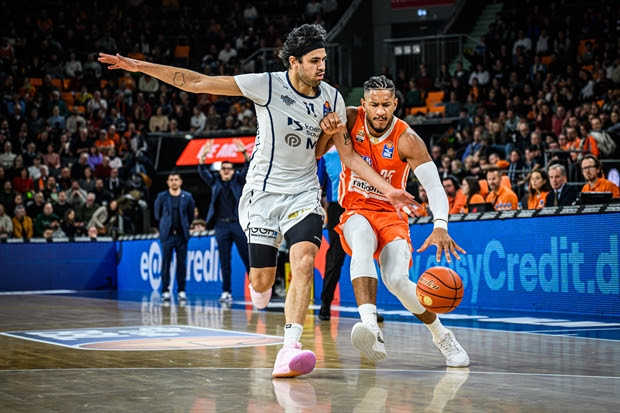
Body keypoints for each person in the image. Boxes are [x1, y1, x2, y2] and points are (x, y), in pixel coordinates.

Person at [100, 24, 416, 378]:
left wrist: (387, 189)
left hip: (304, 193)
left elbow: (347, 157)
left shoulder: (333, 98)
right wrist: (139, 66)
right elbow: (198, 82)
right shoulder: (266, 85)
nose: (322, 67)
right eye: (314, 60)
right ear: (294, 62)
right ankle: (259, 287)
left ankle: (290, 348)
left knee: (304, 260)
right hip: (263, 195)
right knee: (262, 283)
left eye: (324, 59)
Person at [316, 75, 469, 367]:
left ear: (395, 104)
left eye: (386, 104)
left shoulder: (407, 139)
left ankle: (442, 336)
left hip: (390, 214)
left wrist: (440, 225)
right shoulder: (350, 118)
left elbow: (434, 186)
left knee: (397, 280)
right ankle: (370, 327)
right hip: (356, 208)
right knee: (361, 242)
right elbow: (318, 152)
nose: (380, 111)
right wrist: (325, 129)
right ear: (364, 104)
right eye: (374, 104)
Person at [197, 138, 251, 303]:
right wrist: (203, 156)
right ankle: (226, 291)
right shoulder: (215, 181)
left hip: (237, 224)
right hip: (221, 225)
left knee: (247, 257)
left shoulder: (238, 180)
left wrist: (244, 153)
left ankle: (256, 289)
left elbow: (248, 166)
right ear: (220, 171)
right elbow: (202, 171)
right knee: (224, 261)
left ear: (233, 171)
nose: (226, 171)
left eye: (229, 168)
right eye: (223, 168)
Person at [154, 171, 195, 301]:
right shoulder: (162, 197)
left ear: (180, 181)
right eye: (171, 180)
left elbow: (191, 215)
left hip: (182, 235)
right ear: (167, 182)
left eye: (176, 179)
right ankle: (165, 290)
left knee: (181, 264)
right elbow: (157, 214)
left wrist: (186, 226)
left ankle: (181, 290)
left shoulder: (187, 197)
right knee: (166, 263)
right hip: (167, 235)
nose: (174, 182)